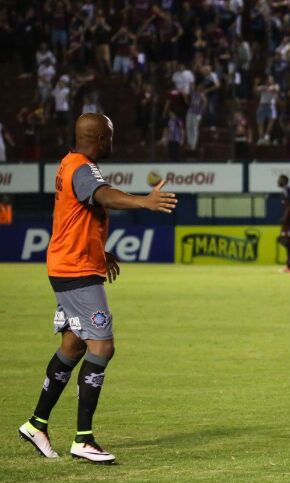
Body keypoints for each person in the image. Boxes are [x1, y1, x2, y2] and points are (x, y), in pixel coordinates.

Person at [18, 113, 177, 464]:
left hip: (70, 265)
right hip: (76, 273)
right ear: (103, 138)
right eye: (112, 136)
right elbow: (104, 196)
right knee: (102, 346)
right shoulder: (84, 168)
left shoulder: (67, 163)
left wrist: (99, 250)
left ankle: (37, 423)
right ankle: (83, 439)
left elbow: (75, 215)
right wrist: (144, 202)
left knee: (74, 345)